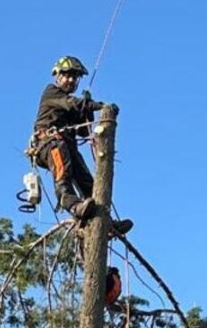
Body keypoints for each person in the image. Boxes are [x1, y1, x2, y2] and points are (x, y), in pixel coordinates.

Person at [31, 56, 132, 234]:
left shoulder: (70, 105)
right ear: (58, 76)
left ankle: (105, 221)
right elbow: (73, 103)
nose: (71, 80)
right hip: (49, 143)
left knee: (88, 182)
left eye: (75, 77)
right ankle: (71, 204)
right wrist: (100, 106)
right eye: (67, 76)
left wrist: (88, 112)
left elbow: (84, 131)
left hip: (67, 146)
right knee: (63, 172)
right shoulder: (52, 93)